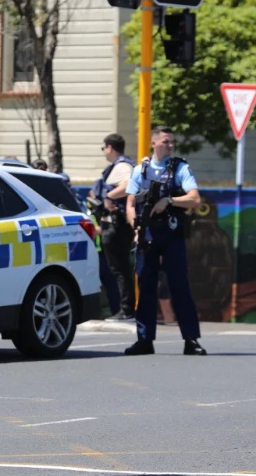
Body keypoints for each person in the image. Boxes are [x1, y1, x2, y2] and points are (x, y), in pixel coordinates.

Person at [124, 125, 206, 355]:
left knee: (180, 286)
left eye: (172, 142)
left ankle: (191, 340)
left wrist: (168, 201)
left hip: (171, 235)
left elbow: (195, 199)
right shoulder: (140, 170)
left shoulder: (180, 168)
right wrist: (136, 228)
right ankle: (144, 340)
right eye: (166, 141)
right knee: (146, 288)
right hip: (147, 236)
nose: (170, 145)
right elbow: (130, 205)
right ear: (154, 143)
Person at [91, 133, 136, 320]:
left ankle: (126, 310)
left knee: (120, 269)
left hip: (116, 226)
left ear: (110, 147)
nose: (104, 152)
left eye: (104, 148)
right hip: (115, 225)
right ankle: (125, 309)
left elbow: (128, 185)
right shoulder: (118, 167)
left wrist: (109, 197)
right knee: (119, 269)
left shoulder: (122, 166)